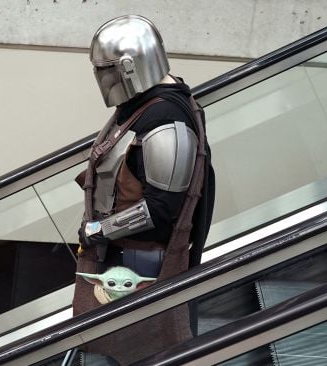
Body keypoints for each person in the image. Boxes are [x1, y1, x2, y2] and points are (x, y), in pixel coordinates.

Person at [71, 14, 215, 365]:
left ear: (130, 66)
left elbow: (162, 210)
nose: (101, 79)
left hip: (140, 260)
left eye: (106, 70)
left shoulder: (167, 123)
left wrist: (99, 229)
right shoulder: (143, 106)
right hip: (123, 254)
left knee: (139, 346)